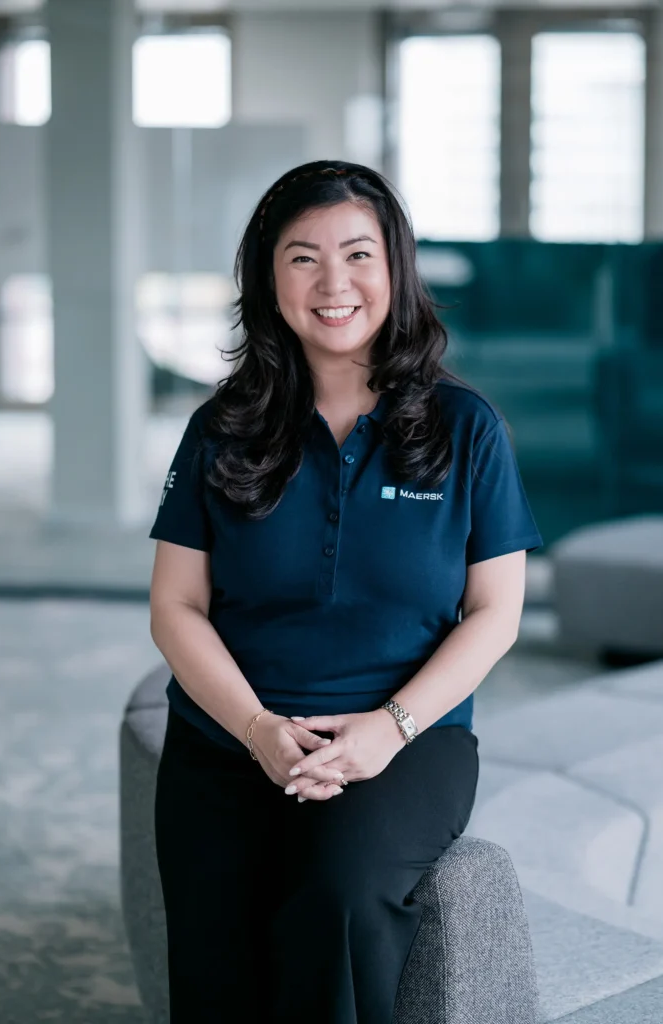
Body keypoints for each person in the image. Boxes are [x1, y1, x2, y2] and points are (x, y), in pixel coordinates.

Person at [149, 159, 543, 1024]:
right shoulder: (220, 428)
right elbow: (175, 604)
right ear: (268, 279)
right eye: (303, 258)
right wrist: (255, 728)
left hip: (406, 740)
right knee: (216, 954)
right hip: (227, 739)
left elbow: (496, 613)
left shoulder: (464, 427)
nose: (335, 283)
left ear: (396, 269)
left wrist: (387, 730)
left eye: (359, 254)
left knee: (341, 896)